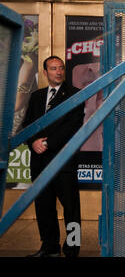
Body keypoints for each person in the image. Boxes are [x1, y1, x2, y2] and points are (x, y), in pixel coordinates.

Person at [23, 56, 85, 257]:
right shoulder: (36, 96)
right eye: (53, 68)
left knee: (71, 210)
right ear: (45, 72)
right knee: (44, 207)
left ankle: (72, 250)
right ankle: (49, 248)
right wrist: (33, 142)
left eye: (61, 68)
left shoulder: (75, 95)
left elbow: (73, 126)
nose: (58, 72)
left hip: (63, 163)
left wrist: (47, 143)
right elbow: (27, 126)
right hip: (39, 163)